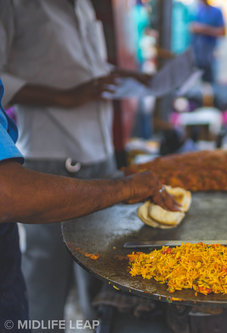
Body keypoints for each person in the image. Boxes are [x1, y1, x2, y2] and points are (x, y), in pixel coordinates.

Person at [0, 0, 155, 325]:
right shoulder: (16, 5)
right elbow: (3, 79)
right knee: (45, 278)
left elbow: (86, 67)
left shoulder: (82, 6)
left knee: (99, 271)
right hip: (50, 155)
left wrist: (121, 76)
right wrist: (64, 97)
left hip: (98, 152)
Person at [0, 77, 179, 330]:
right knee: (46, 285)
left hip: (95, 152)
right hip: (48, 157)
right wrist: (125, 188)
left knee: (92, 287)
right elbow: (7, 193)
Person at [190, 0, 226, 83]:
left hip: (209, 51)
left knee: (209, 80)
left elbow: (222, 32)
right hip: (197, 51)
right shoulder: (196, 10)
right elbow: (191, 27)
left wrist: (204, 29)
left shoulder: (216, 11)